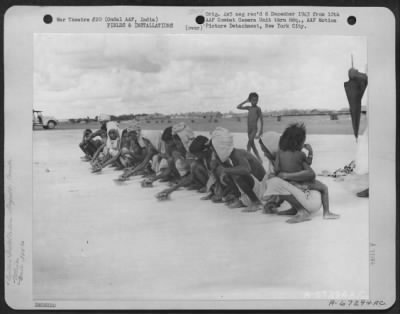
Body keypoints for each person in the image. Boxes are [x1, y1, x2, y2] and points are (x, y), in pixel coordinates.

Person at [265, 123, 339, 223]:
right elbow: (309, 163)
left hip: (290, 183)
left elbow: (277, 169)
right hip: (303, 182)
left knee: (280, 187)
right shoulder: (300, 154)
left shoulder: (279, 154)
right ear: (299, 142)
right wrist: (311, 152)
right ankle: (327, 213)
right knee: (324, 188)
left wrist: (284, 173)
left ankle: (295, 209)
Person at [210, 127, 267, 212]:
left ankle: (256, 202)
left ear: (220, 147)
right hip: (256, 187)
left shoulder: (238, 154)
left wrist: (225, 170)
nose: (213, 150)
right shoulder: (230, 156)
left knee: (236, 174)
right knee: (230, 173)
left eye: (214, 148)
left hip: (262, 189)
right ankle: (240, 199)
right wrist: (216, 159)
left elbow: (246, 169)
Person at [237, 92, 263, 162]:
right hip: (249, 129)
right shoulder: (249, 108)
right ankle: (253, 157)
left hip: (254, 129)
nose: (255, 101)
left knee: (250, 142)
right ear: (250, 100)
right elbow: (238, 107)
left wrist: (261, 131)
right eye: (253, 100)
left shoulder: (258, 109)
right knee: (251, 144)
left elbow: (261, 119)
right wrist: (246, 101)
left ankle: (254, 157)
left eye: (256, 100)